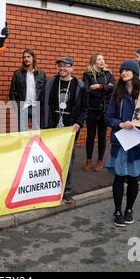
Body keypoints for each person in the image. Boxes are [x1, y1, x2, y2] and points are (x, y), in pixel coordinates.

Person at [105, 60, 140, 227]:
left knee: (133, 178)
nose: (123, 72)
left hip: (139, 142)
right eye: (122, 70)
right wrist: (120, 123)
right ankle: (117, 210)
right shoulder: (117, 94)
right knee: (119, 177)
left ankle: (129, 209)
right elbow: (108, 117)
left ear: (135, 72)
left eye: (127, 70)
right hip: (121, 141)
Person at [40, 56, 87, 204]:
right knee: (49, 159)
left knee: (68, 160)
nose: (62, 68)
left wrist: (79, 123)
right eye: (60, 66)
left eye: (66, 66)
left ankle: (66, 190)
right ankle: (48, 189)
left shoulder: (79, 86)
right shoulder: (50, 83)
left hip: (69, 130)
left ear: (72, 68)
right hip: (51, 128)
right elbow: (41, 104)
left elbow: (84, 108)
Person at [82, 53, 116, 172]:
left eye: (103, 59)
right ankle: (88, 160)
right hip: (92, 109)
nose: (102, 61)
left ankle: (100, 160)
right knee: (90, 136)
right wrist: (105, 87)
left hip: (105, 110)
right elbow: (86, 90)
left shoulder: (108, 73)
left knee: (102, 136)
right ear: (93, 62)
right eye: (99, 59)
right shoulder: (88, 74)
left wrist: (99, 86)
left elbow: (113, 88)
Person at [9, 49, 46, 131]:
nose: (26, 59)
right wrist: (16, 106)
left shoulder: (41, 74)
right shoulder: (17, 73)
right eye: (24, 57)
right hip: (23, 107)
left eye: (28, 57)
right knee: (22, 132)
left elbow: (44, 92)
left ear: (33, 58)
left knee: (37, 132)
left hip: (36, 107)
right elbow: (12, 91)